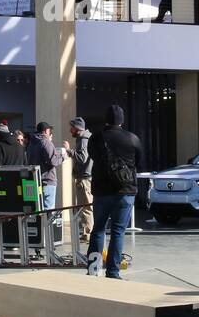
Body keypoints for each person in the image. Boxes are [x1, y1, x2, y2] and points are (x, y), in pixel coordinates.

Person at [87, 105, 143, 279]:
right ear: (122, 120)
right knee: (118, 232)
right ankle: (113, 271)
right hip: (125, 191)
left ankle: (94, 269)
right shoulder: (132, 138)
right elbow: (139, 160)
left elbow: (93, 156)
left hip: (102, 191)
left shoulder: (96, 138)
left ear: (106, 120)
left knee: (98, 230)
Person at [26, 122, 67, 218]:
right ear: (45, 131)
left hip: (35, 181)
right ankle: (47, 233)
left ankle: (40, 232)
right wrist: (63, 156)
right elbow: (52, 161)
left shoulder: (31, 143)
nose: (50, 132)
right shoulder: (46, 142)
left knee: (37, 211)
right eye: (49, 130)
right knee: (48, 211)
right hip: (47, 181)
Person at [69, 117, 94, 248]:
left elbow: (82, 158)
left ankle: (87, 234)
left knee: (86, 207)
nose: (70, 130)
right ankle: (87, 232)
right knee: (86, 206)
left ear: (77, 128)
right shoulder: (87, 138)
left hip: (84, 178)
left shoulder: (84, 140)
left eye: (72, 127)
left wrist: (69, 151)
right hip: (86, 177)